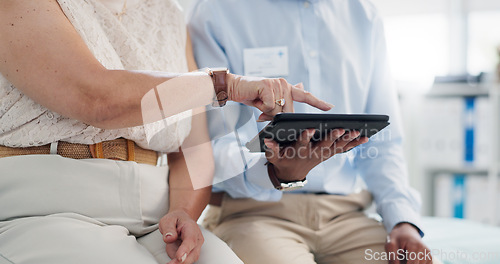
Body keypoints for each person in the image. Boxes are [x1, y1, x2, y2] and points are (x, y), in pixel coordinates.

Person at [0, 1, 333, 264]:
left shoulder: (170, 16)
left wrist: (184, 213)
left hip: (153, 217)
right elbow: (96, 99)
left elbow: (194, 146)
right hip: (48, 208)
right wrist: (224, 85)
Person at [188, 0, 435, 263]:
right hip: (251, 213)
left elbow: (385, 143)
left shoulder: (364, 14)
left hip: (346, 214)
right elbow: (206, 144)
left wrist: (402, 219)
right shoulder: (215, 11)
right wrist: (274, 173)